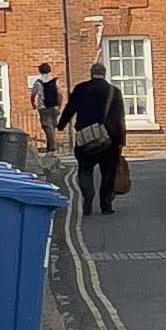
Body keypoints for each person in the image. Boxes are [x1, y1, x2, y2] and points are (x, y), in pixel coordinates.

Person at [62, 59, 127, 215]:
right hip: (108, 140)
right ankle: (105, 205)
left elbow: (70, 109)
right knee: (108, 172)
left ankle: (88, 196)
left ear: (91, 74)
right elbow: (120, 118)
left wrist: (61, 124)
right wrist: (120, 140)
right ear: (104, 74)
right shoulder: (113, 91)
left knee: (85, 170)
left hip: (85, 139)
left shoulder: (80, 89)